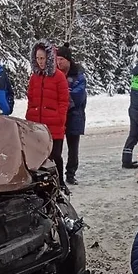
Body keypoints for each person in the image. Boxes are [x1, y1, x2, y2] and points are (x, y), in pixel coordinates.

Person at [25, 41, 70, 185]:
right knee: (39, 157)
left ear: (49, 57)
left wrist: (60, 119)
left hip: (54, 124)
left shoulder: (59, 77)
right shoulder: (34, 77)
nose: (40, 62)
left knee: (55, 155)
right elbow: (31, 99)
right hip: (37, 124)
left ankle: (60, 182)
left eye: (42, 58)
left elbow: (64, 101)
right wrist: (29, 116)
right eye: (37, 58)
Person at [56, 43, 87, 185]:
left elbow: (78, 95)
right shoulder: (55, 74)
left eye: (61, 59)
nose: (59, 62)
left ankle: (71, 173)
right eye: (57, 59)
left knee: (73, 148)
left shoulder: (78, 75)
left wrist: (64, 97)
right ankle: (57, 174)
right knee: (56, 147)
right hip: (59, 115)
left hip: (74, 115)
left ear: (68, 59)